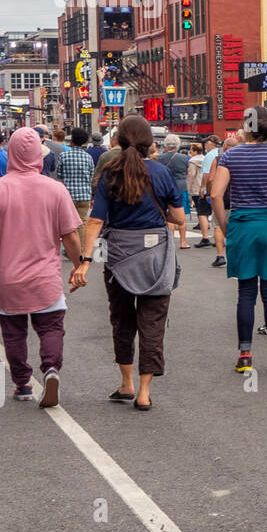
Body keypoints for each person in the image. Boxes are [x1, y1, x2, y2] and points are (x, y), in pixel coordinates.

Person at [70, 115, 185, 411]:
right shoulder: (161, 172)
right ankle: (144, 391)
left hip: (117, 252)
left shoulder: (110, 172)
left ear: (119, 140)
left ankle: (126, 383)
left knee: (121, 319)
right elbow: (181, 218)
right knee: (153, 322)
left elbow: (96, 220)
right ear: (150, 142)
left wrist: (85, 261)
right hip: (156, 255)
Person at [0, 127, 84, 406]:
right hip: (45, 278)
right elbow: (70, 235)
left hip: (7, 279)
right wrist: (78, 265)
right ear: (38, 154)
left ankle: (22, 383)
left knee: (13, 333)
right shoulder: (55, 190)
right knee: (51, 328)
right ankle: (50, 369)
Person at [209, 106, 267, 373]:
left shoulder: (230, 156)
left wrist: (225, 224)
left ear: (247, 128)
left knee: (245, 293)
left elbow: (215, 195)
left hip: (242, 225)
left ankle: (245, 355)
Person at [55, 126, 96, 254]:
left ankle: (69, 249)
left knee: (68, 224)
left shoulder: (64, 156)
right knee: (82, 223)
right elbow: (91, 176)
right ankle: (82, 249)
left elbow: (59, 174)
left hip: (69, 195)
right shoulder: (88, 157)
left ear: (71, 140)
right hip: (84, 195)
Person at [157, 134, 193, 251]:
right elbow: (188, 172)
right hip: (181, 187)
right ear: (178, 145)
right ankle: (183, 241)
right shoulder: (183, 158)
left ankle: (171, 241)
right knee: (181, 216)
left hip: (165, 187)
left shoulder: (160, 158)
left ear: (166, 145)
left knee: (169, 216)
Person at [199, 134, 227, 265]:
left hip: (222, 196)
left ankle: (220, 255)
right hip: (238, 198)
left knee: (218, 225)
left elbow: (209, 177)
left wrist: (207, 191)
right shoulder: (243, 157)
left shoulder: (216, 157)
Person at [187, 141, 213, 246]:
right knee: (208, 208)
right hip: (208, 188)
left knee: (200, 210)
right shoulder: (207, 159)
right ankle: (207, 224)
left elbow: (191, 176)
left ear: (194, 151)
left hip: (197, 188)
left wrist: (188, 190)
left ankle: (204, 228)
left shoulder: (192, 162)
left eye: (191, 150)